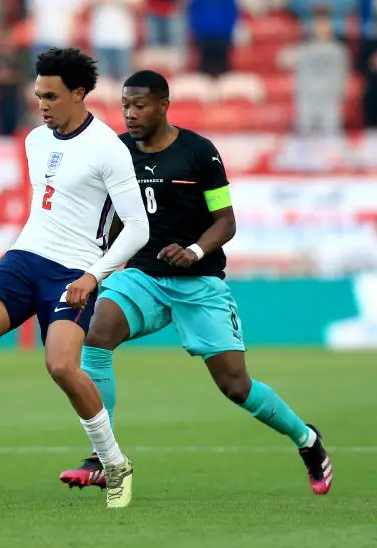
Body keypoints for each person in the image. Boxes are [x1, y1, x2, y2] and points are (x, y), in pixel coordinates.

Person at [58, 70, 333, 496]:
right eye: (126, 106)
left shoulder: (201, 153)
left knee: (235, 386)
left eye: (140, 105)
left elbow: (226, 221)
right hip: (144, 277)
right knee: (95, 337)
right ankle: (103, 457)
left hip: (199, 283)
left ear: (164, 105)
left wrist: (194, 252)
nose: (130, 114)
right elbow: (105, 219)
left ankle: (307, 440)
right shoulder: (116, 152)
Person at [0, 48, 150, 509]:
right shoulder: (36, 141)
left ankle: (114, 463)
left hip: (73, 270)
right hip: (25, 257)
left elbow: (138, 227)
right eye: (38, 95)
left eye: (51, 96)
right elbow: (46, 210)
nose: (42, 105)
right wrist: (14, 248)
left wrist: (94, 276)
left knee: (61, 365)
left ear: (79, 94)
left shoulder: (109, 150)